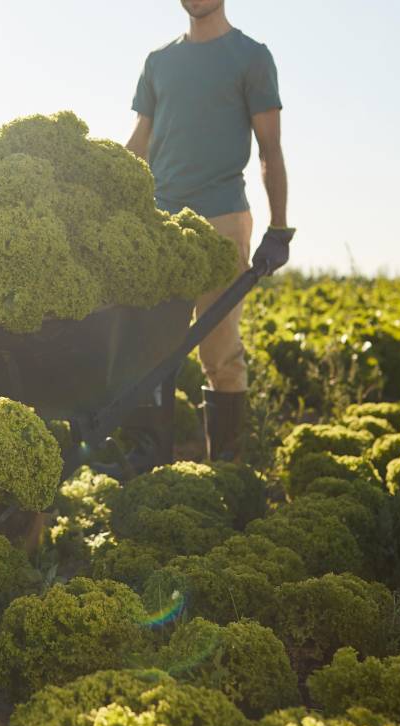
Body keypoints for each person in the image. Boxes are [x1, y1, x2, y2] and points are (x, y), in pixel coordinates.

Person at [126, 0, 294, 462]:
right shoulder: (159, 62)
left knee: (220, 355)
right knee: (149, 354)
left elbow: (270, 150)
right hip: (159, 226)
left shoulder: (251, 57)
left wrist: (279, 228)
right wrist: (107, 189)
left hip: (221, 221)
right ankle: (152, 482)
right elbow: (141, 138)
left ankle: (229, 475)